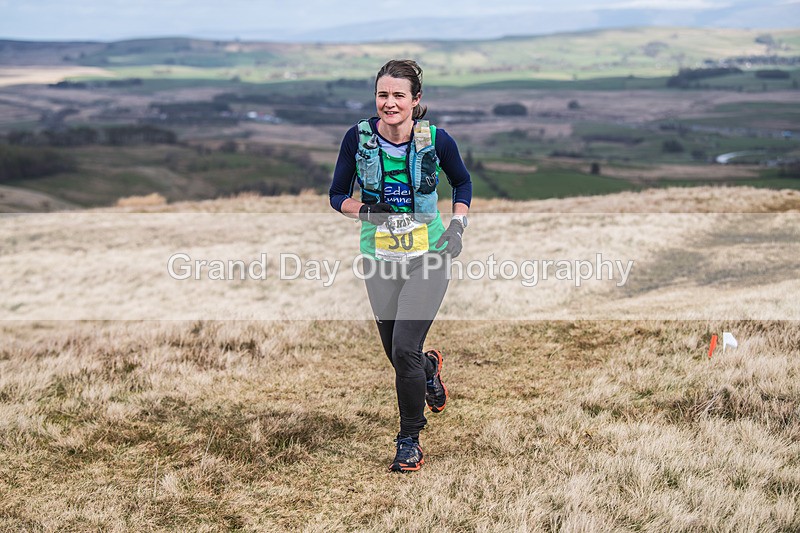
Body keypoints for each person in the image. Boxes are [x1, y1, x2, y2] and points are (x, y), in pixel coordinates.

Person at [329, 59, 472, 472]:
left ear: (416, 100)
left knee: (404, 347)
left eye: (398, 96)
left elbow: (462, 182)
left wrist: (458, 227)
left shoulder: (437, 140)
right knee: (398, 353)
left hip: (429, 257)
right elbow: (337, 195)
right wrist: (364, 209)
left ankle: (409, 439)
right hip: (379, 260)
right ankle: (429, 369)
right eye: (382, 95)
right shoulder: (356, 140)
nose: (389, 103)